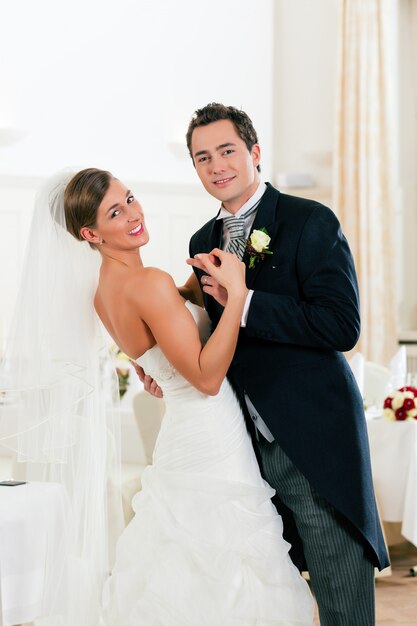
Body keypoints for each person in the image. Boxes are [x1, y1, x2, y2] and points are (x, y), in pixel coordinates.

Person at [141, 103, 390, 626]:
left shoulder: (309, 221)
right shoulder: (201, 242)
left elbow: (341, 326)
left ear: (254, 153)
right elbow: (209, 336)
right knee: (264, 596)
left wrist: (245, 299)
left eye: (227, 151)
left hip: (312, 435)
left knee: (340, 591)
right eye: (202, 157)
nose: (216, 166)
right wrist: (159, 362)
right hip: (236, 449)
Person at [62, 167, 315, 625]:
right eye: (114, 212)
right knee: (228, 559)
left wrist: (188, 292)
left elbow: (153, 344)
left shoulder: (104, 293)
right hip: (211, 433)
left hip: (182, 434)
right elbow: (206, 378)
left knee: (185, 562)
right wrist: (236, 295)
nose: (134, 214)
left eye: (131, 198)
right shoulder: (148, 282)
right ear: (90, 233)